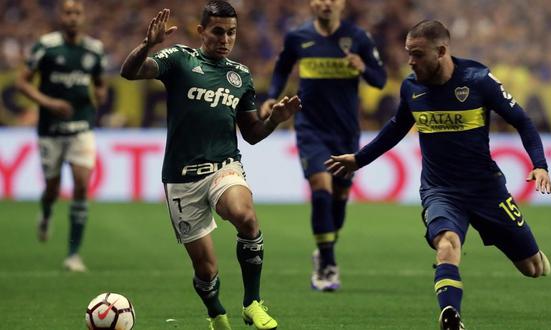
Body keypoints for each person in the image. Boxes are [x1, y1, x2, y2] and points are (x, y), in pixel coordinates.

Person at [326, 20, 551, 330]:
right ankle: (451, 316)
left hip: (486, 190)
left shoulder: (478, 79)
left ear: (442, 51)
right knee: (446, 244)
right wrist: (358, 159)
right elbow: (395, 129)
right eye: (409, 53)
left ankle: (527, 248)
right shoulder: (411, 87)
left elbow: (523, 122)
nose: (410, 61)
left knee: (534, 268)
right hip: (440, 189)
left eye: (417, 54)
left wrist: (540, 164)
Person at [120, 3, 301, 330]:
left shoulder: (240, 76)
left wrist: (273, 119)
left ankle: (252, 303)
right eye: (218, 31)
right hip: (181, 178)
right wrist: (148, 44)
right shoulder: (179, 59)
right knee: (206, 271)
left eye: (231, 32)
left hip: (224, 167)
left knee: (246, 217)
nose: (225, 38)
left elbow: (252, 135)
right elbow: (130, 72)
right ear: (201, 30)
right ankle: (216, 314)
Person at [260, 0, 386, 292]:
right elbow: (281, 69)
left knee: (339, 200)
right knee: (320, 189)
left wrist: (363, 67)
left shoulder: (359, 38)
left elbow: (379, 80)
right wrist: (272, 95)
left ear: (342, 4)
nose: (326, 3)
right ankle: (328, 264)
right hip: (310, 128)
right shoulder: (297, 38)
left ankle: (325, 250)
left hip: (345, 131)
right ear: (312, 4)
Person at [16, 0, 107, 272]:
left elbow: (100, 84)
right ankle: (46, 213)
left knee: (81, 184)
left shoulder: (95, 50)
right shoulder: (46, 46)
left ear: (83, 16)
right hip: (51, 130)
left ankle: (73, 254)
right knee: (53, 189)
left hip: (81, 127)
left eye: (77, 12)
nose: (73, 17)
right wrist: (48, 103)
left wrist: (99, 95)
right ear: (60, 15)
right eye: (68, 12)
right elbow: (22, 82)